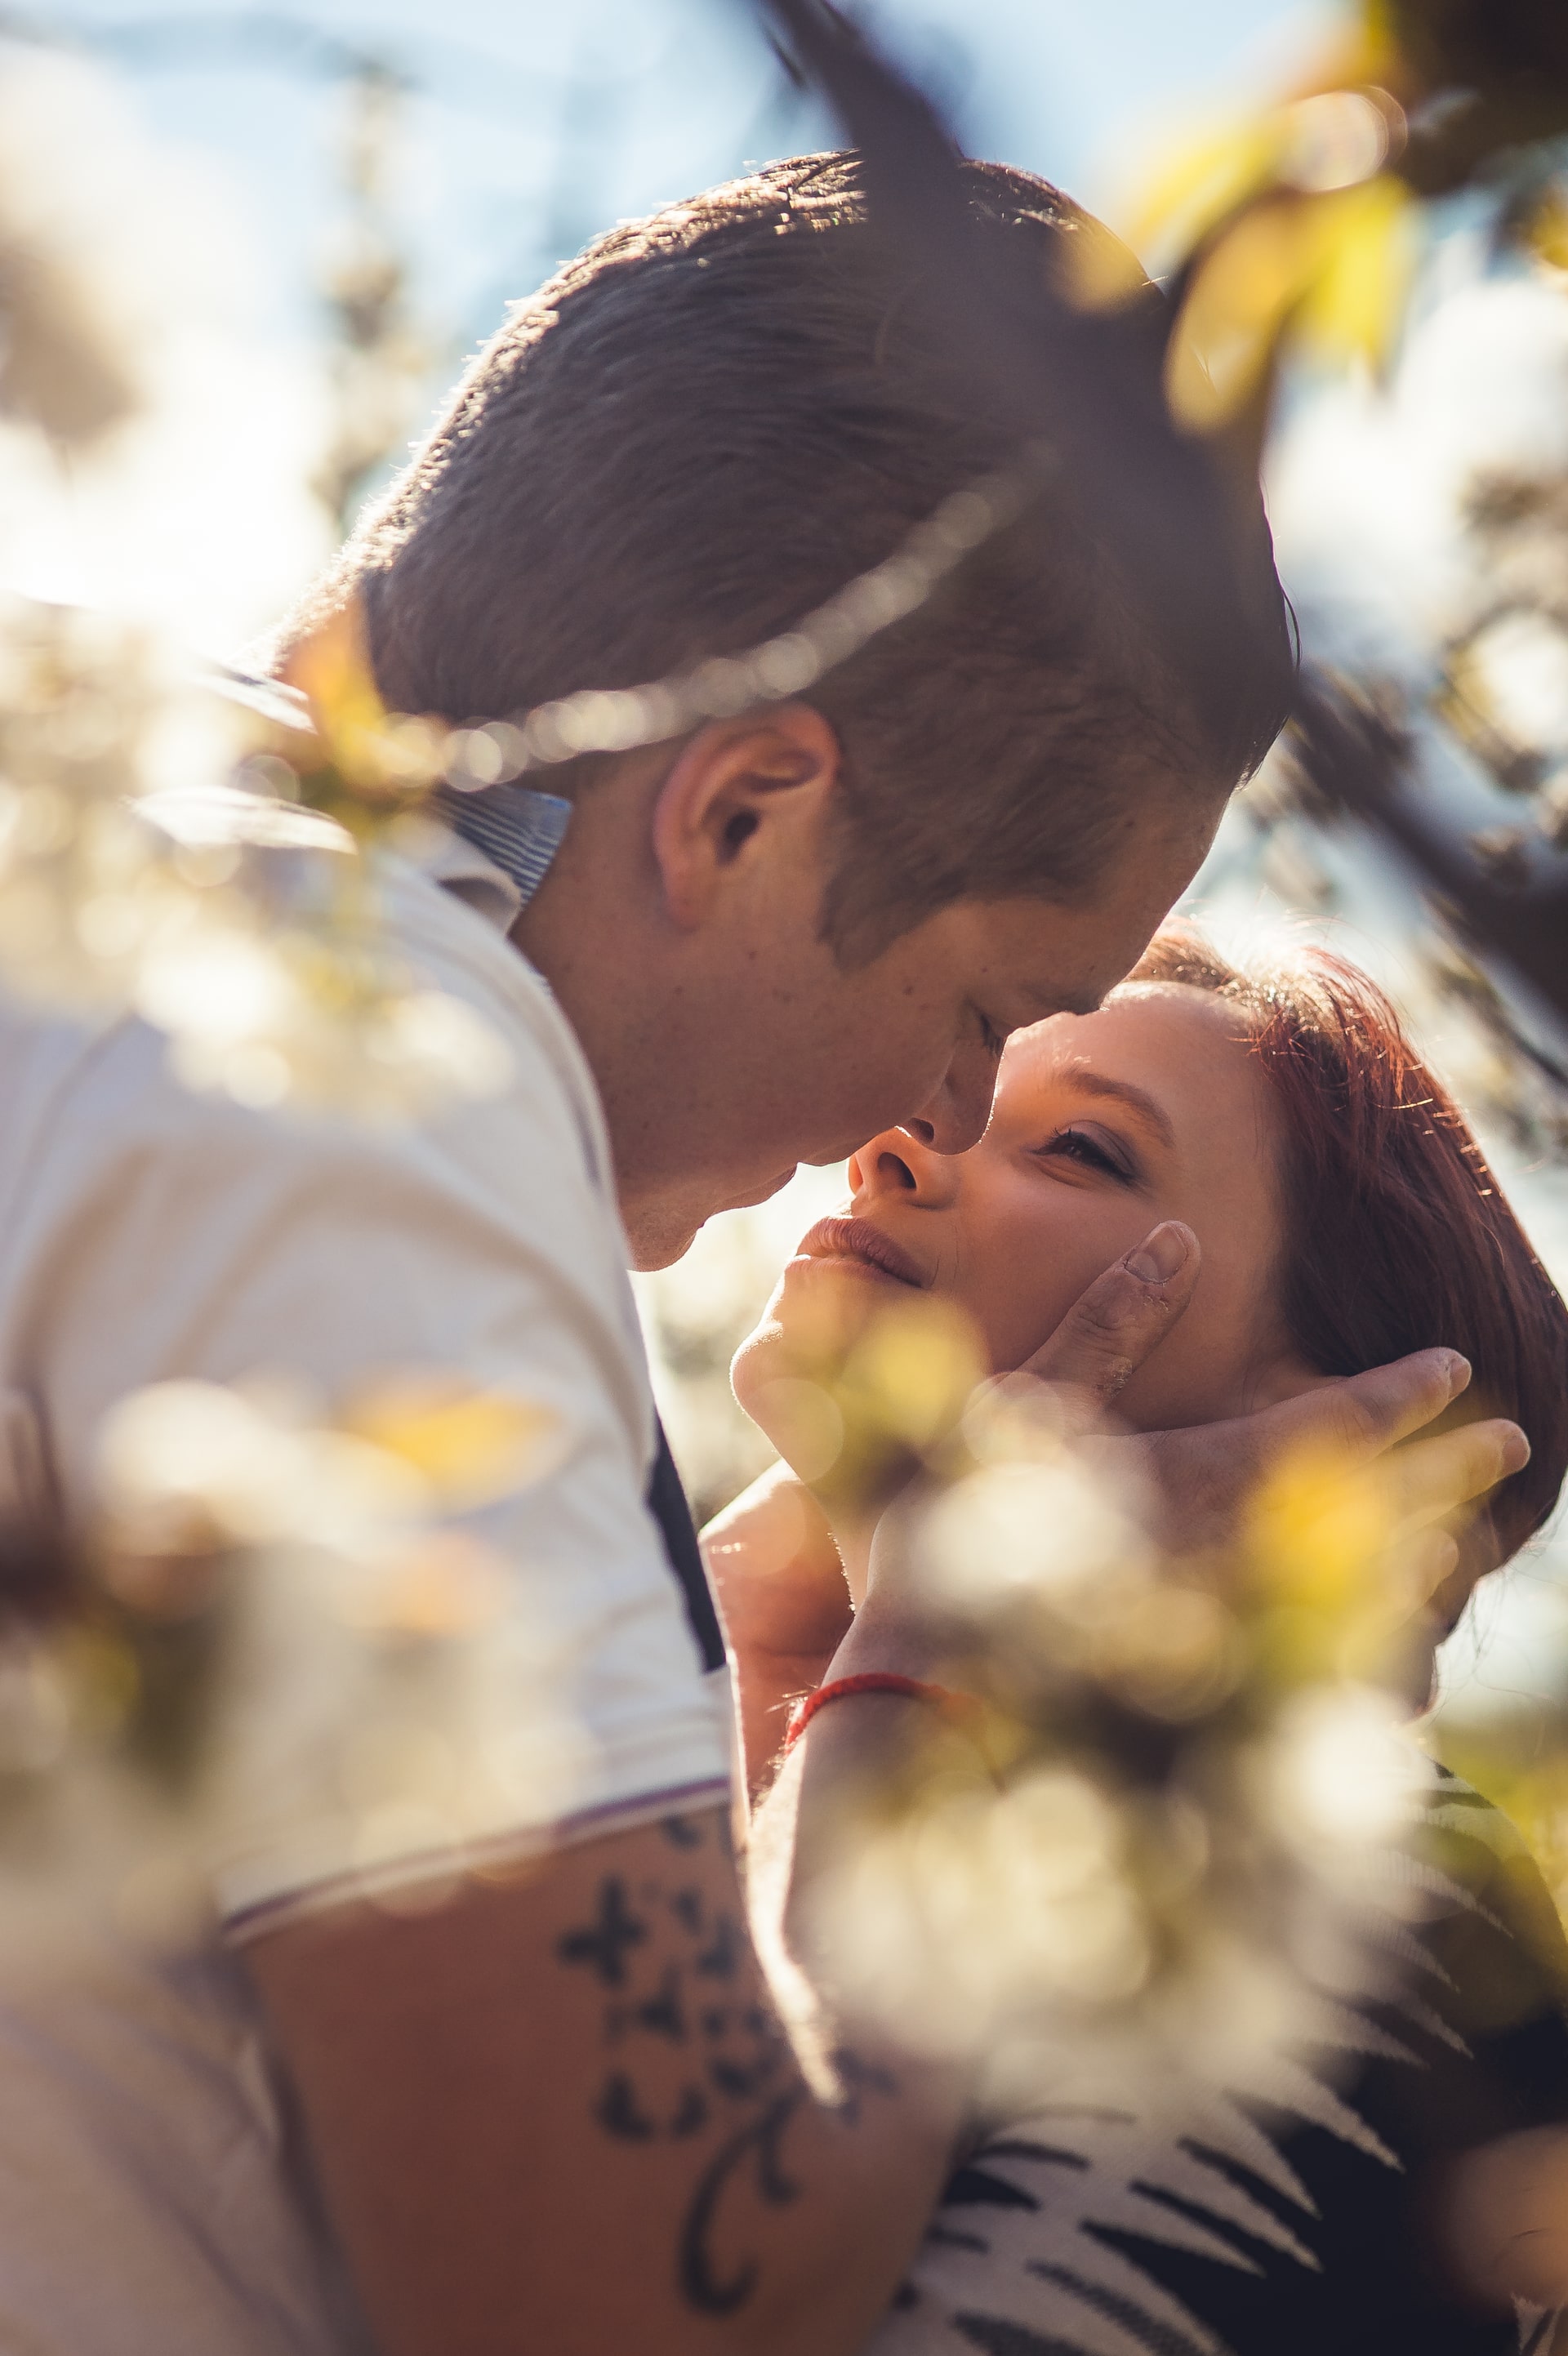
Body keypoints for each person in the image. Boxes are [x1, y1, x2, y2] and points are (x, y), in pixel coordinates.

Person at [0, 155, 1524, 2356]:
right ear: (743, 813)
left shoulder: (121, 871)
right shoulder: (392, 1109)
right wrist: (948, 1655)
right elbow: (619, 2298)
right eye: (996, 1011)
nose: (942, 1116)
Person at [710, 926, 1568, 2353]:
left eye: (1083, 1150)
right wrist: (760, 1624)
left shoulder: (1370, 1910)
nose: (895, 1149)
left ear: (1331, 1441)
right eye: (949, 1094)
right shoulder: (760, 1710)